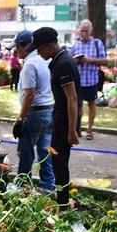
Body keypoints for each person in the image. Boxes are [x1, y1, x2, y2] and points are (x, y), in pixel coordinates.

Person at [31, 27, 80, 208]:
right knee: (59, 162)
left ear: (50, 46)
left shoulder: (63, 64)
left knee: (59, 163)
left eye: (40, 48)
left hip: (65, 121)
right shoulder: (62, 60)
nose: (38, 52)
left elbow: (72, 98)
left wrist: (72, 130)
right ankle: (62, 200)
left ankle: (63, 204)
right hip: (61, 118)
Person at [8, 30, 55, 192]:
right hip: (48, 111)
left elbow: (29, 95)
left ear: (25, 45)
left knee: (26, 151)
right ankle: (48, 186)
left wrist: (20, 119)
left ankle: (22, 186)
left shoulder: (29, 64)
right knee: (44, 152)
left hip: (34, 113)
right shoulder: (42, 61)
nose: (16, 51)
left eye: (18, 47)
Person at [69, 19, 107, 140]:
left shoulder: (97, 43)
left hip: (91, 80)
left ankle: (90, 129)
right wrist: (76, 60)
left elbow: (104, 60)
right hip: (78, 80)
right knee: (78, 105)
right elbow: (69, 61)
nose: (84, 33)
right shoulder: (76, 44)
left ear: (91, 31)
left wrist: (89, 60)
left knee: (91, 104)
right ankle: (77, 128)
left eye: (86, 31)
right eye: (82, 31)